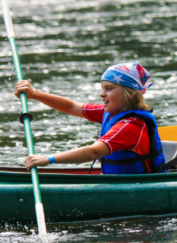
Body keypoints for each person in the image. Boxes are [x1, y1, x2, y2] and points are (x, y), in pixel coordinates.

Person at [15, 63, 166, 174]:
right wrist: (35, 94)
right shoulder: (111, 111)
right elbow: (72, 106)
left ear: (129, 93)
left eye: (109, 88)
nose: (102, 94)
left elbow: (93, 152)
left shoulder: (130, 126)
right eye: (102, 88)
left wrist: (48, 159)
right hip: (117, 182)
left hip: (137, 185)